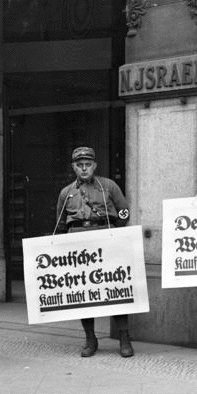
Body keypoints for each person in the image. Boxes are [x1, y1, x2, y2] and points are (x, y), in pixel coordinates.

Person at [55, 146, 133, 357]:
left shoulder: (108, 186)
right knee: (84, 294)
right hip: (79, 244)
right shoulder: (66, 193)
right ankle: (90, 339)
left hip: (105, 241)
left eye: (87, 165)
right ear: (74, 167)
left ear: (94, 166)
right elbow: (60, 224)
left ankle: (124, 338)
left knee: (115, 290)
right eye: (79, 165)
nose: (84, 169)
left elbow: (124, 212)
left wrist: (113, 233)